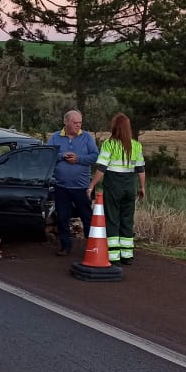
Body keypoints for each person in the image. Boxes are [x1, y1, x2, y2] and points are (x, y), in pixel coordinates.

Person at [87, 113, 145, 265]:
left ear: (114, 127)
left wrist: (92, 185)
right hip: (130, 186)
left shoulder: (109, 144)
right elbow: (141, 169)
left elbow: (102, 168)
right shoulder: (136, 145)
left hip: (113, 185)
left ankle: (114, 256)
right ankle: (127, 255)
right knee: (127, 219)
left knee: (112, 219)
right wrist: (142, 187)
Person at [47, 110, 99, 256]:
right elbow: (48, 155)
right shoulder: (55, 137)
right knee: (62, 217)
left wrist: (78, 159)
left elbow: (95, 156)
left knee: (86, 216)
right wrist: (62, 156)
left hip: (81, 187)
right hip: (61, 186)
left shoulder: (87, 137)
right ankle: (65, 246)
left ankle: (93, 246)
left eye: (80, 123)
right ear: (66, 122)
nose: (78, 125)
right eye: (75, 123)